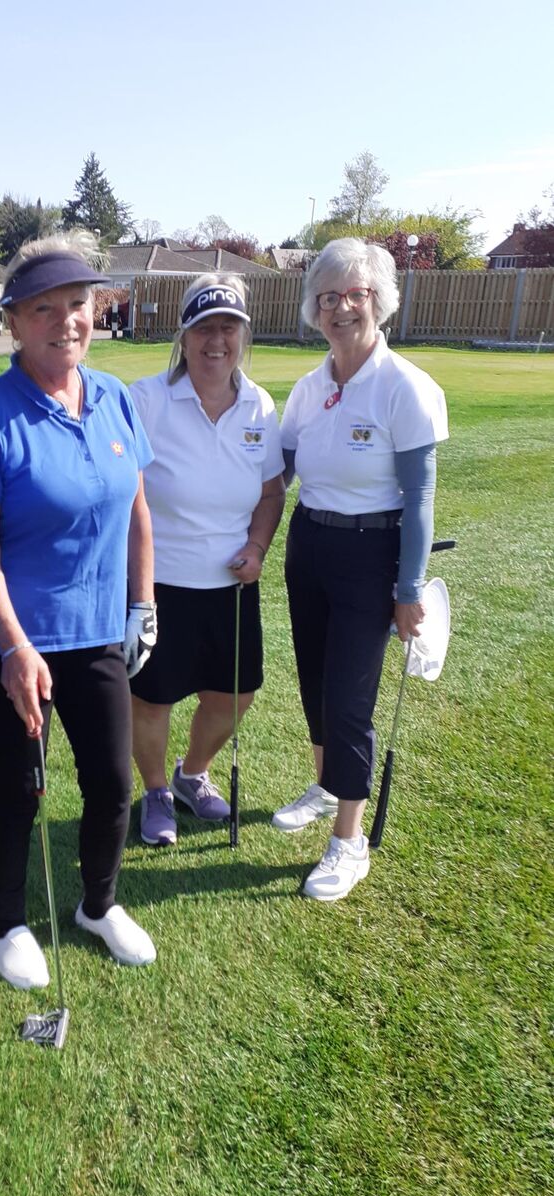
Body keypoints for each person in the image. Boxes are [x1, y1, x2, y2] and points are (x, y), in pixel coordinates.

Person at [0, 231, 158, 991]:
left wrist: (143, 603)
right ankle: (7, 922)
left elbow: (138, 512)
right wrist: (14, 646)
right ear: (12, 321)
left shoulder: (113, 396)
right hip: (14, 643)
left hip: (100, 631)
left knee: (111, 782)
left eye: (77, 304)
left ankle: (98, 905)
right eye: (44, 309)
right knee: (21, 787)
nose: (66, 321)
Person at [274, 238, 448, 901]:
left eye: (356, 294)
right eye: (328, 297)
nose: (341, 307)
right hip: (309, 545)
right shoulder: (309, 386)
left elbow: (420, 496)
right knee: (315, 683)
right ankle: (327, 786)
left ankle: (349, 842)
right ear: (314, 308)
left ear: (380, 301)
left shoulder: (406, 387)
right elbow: (279, 473)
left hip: (371, 555)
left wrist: (408, 588)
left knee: (349, 700)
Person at [128, 275, 286, 846]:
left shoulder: (259, 405)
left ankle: (192, 773)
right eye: (204, 329)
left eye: (229, 328)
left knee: (234, 695)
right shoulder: (146, 400)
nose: (217, 341)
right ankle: (155, 791)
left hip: (233, 583)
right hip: (161, 580)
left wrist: (258, 548)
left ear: (243, 335)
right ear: (184, 336)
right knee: (152, 698)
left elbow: (271, 493)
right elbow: (126, 494)